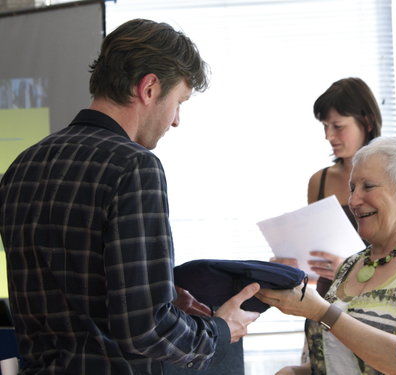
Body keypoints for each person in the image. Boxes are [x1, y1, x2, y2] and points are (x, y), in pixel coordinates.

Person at [0, 19, 260, 374]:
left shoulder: (22, 166)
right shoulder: (135, 167)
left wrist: (164, 299)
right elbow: (145, 329)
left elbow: (75, 295)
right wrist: (219, 330)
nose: (176, 121)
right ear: (150, 88)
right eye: (179, 102)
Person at [257, 136, 396, 375]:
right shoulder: (351, 263)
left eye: (368, 186)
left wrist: (322, 312)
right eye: (352, 188)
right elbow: (341, 361)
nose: (353, 200)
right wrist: (296, 372)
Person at [271, 77, 396, 283]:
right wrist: (294, 268)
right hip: (328, 302)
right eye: (325, 126)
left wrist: (348, 269)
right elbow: (318, 268)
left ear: (366, 122)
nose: (329, 136)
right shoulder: (319, 181)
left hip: (378, 304)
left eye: (338, 126)